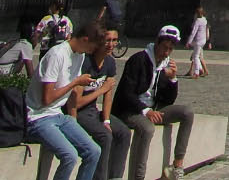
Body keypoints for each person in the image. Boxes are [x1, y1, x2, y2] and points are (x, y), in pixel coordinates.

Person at [24, 20, 102, 180]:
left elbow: (72, 93)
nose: (91, 52)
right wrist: (75, 82)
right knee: (70, 156)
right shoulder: (57, 54)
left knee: (94, 151)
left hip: (58, 114)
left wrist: (72, 120)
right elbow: (46, 99)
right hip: (38, 117)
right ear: (85, 40)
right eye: (92, 47)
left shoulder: (79, 56)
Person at [113, 25, 193, 180]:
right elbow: (126, 93)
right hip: (131, 109)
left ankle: (177, 165)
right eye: (164, 47)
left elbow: (168, 100)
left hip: (153, 109)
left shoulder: (165, 64)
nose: (166, 52)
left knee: (186, 112)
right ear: (157, 42)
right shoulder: (139, 60)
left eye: (170, 49)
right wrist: (146, 111)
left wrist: (172, 80)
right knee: (147, 129)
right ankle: (138, 177)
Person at [71, 28, 131, 180]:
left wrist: (106, 120)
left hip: (93, 111)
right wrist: (101, 90)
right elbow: (76, 103)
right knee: (105, 136)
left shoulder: (110, 62)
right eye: (107, 40)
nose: (111, 44)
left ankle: (115, 177)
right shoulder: (85, 62)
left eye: (114, 40)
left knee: (124, 132)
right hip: (79, 112)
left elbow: (108, 96)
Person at [184, 9, 208, 79]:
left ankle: (196, 72)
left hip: (198, 41)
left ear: (197, 14)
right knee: (196, 55)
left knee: (196, 57)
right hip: (203, 40)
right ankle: (200, 69)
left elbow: (193, 32)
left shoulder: (198, 21)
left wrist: (188, 42)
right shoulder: (204, 20)